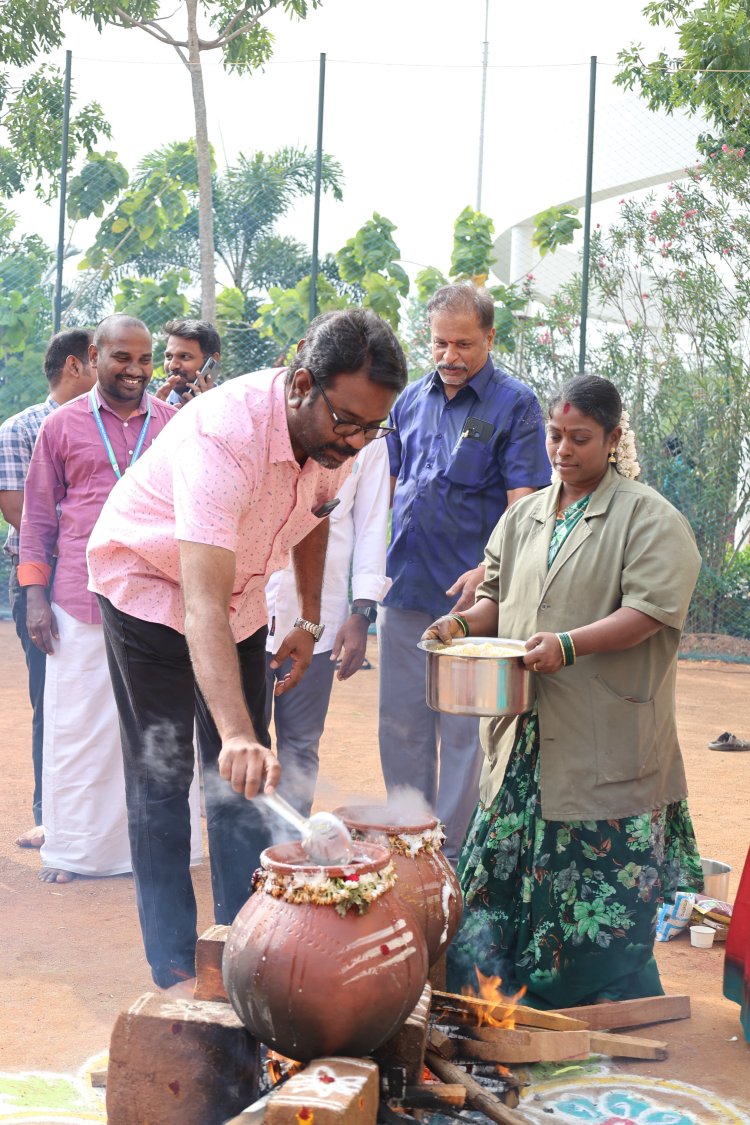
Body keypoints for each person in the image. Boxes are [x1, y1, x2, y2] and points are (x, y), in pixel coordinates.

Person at [86, 307, 408, 989]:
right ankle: (176, 966)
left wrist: (311, 620)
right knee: (165, 775)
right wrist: (233, 730)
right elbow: (198, 602)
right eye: (347, 422)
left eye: (373, 428)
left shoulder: (339, 439)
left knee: (245, 780)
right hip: (149, 588)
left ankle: (242, 944)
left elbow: (317, 512)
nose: (355, 443)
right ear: (300, 384)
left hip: (241, 601)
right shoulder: (223, 435)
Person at [424, 374, 704, 1008]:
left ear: (612, 439)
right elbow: (496, 596)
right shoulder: (523, 516)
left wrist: (568, 644)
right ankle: (492, 995)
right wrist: (461, 624)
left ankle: (596, 998)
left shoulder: (649, 518)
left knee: (593, 873)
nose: (563, 449)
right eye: (555, 435)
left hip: (601, 734)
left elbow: (654, 611)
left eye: (580, 438)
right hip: (522, 731)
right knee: (500, 867)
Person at [18, 314, 201, 883]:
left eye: (146, 360)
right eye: (123, 358)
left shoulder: (175, 425)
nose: (137, 370)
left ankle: (158, 849)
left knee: (160, 727)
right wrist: (34, 596)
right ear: (94, 356)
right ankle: (76, 850)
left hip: (157, 598)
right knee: (79, 730)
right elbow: (38, 516)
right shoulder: (62, 427)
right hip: (77, 597)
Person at [379, 282, 550, 863]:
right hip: (403, 585)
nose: (450, 356)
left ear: (490, 338)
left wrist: (489, 569)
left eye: (464, 344)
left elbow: (525, 501)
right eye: (440, 343)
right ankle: (406, 837)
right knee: (401, 721)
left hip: (470, 601)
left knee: (463, 731)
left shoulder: (516, 404)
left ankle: (450, 854)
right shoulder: (407, 401)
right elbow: (391, 487)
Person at [0, 330, 96, 849]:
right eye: (104, 359)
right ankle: (49, 814)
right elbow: (19, 512)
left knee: (99, 701)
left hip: (100, 581)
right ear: (77, 366)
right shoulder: (21, 429)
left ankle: (101, 815)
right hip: (44, 580)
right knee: (52, 700)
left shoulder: (117, 423)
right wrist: (85, 529)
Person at [265, 437, 391, 816]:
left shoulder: (371, 441)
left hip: (321, 612)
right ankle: (242, 853)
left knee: (301, 740)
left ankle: (288, 850)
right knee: (246, 738)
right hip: (249, 607)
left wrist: (362, 611)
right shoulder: (267, 425)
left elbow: (371, 527)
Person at [161, 318, 220, 406]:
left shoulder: (232, 407)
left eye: (185, 356)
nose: (172, 366)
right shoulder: (157, 407)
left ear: (213, 360)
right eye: (169, 357)